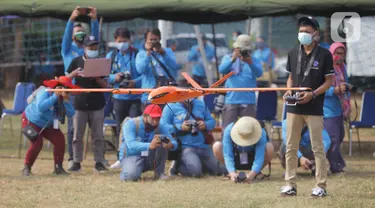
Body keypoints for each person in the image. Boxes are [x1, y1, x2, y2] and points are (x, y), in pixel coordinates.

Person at [281, 17, 334, 197]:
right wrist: (289, 90)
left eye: (307, 32)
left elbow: (329, 81)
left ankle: (321, 186)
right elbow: (289, 77)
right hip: (294, 107)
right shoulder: (293, 52)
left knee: (317, 147)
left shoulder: (325, 55)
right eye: (301, 31)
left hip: (314, 107)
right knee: (290, 146)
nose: (303, 35)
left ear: (315, 34)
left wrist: (313, 94)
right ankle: (290, 184)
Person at [61, 6, 99, 168]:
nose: (79, 34)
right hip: (73, 94)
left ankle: (98, 160)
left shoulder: (88, 50)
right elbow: (66, 36)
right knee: (73, 129)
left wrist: (94, 20)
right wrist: (72, 19)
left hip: (90, 92)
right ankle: (73, 159)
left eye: (81, 31)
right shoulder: (67, 50)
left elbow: (94, 38)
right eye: (75, 32)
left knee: (94, 129)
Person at [66, 35, 108, 173]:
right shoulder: (76, 61)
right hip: (79, 103)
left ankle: (99, 161)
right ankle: (76, 162)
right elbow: (65, 80)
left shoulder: (101, 63)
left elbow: (105, 85)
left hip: (97, 104)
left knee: (97, 135)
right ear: (84, 47)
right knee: (77, 135)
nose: (93, 49)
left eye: (95, 47)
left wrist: (96, 76)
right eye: (90, 47)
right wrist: (73, 74)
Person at [21, 76, 77, 176]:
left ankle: (58, 168)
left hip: (48, 124)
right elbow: (41, 107)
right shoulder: (45, 91)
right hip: (31, 120)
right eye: (65, 88)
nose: (67, 91)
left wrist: (66, 100)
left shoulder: (64, 98)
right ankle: (27, 167)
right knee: (37, 142)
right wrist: (55, 96)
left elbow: (71, 113)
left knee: (59, 139)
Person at [161, 98, 222, 177]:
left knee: (221, 170)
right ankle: (177, 166)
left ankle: (199, 164)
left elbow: (212, 121)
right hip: (185, 147)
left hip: (203, 146)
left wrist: (205, 125)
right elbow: (163, 126)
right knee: (196, 173)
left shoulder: (200, 103)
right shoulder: (170, 106)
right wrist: (179, 127)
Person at [119, 104, 177, 181]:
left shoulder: (161, 126)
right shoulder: (131, 124)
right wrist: (150, 145)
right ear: (145, 116)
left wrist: (171, 145)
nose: (155, 122)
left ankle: (160, 174)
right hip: (132, 155)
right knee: (130, 177)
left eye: (158, 119)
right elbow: (131, 145)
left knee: (162, 142)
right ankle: (129, 170)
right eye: (152, 118)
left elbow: (173, 142)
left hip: (149, 157)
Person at [218, 34, 263, 129]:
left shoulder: (254, 60)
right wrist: (232, 59)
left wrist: (250, 62)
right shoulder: (228, 58)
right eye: (240, 49)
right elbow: (222, 70)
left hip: (248, 101)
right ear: (235, 48)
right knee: (228, 130)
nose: (243, 52)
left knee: (248, 130)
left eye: (246, 50)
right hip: (231, 100)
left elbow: (259, 73)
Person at [212, 116, 274, 183]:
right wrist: (232, 172)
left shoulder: (261, 132)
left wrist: (251, 175)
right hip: (236, 156)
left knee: (269, 147)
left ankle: (256, 172)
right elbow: (228, 154)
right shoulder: (229, 130)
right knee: (217, 146)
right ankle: (232, 173)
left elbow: (259, 156)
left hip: (252, 157)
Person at [106, 28, 142, 136]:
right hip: (118, 98)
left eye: (125, 41)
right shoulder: (111, 56)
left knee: (134, 127)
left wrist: (134, 82)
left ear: (130, 40)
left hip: (135, 98)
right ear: (115, 41)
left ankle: (134, 151)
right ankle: (120, 151)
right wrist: (114, 78)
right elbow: (103, 76)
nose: (122, 44)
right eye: (119, 41)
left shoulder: (137, 54)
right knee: (120, 128)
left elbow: (145, 75)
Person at [135, 28, 180, 108]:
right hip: (149, 95)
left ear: (159, 39)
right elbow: (140, 70)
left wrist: (163, 53)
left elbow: (174, 66)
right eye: (151, 40)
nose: (153, 42)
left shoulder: (167, 51)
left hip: (166, 94)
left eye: (155, 40)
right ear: (145, 40)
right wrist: (148, 54)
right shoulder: (141, 54)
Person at [323, 42, 350, 174]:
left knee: (340, 137)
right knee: (333, 139)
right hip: (327, 110)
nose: (339, 56)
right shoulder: (326, 67)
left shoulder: (342, 67)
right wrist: (334, 90)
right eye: (336, 53)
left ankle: (332, 163)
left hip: (340, 108)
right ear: (331, 53)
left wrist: (347, 105)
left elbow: (345, 84)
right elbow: (320, 89)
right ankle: (336, 166)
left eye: (341, 53)